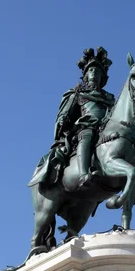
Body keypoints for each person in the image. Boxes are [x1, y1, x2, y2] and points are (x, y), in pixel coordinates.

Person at [28, 47, 115, 191]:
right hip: (85, 128)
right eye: (91, 71)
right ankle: (83, 174)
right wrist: (63, 120)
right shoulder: (76, 93)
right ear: (86, 75)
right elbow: (64, 113)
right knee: (87, 134)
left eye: (98, 71)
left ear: (102, 77)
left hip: (106, 128)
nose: (94, 74)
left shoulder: (110, 99)